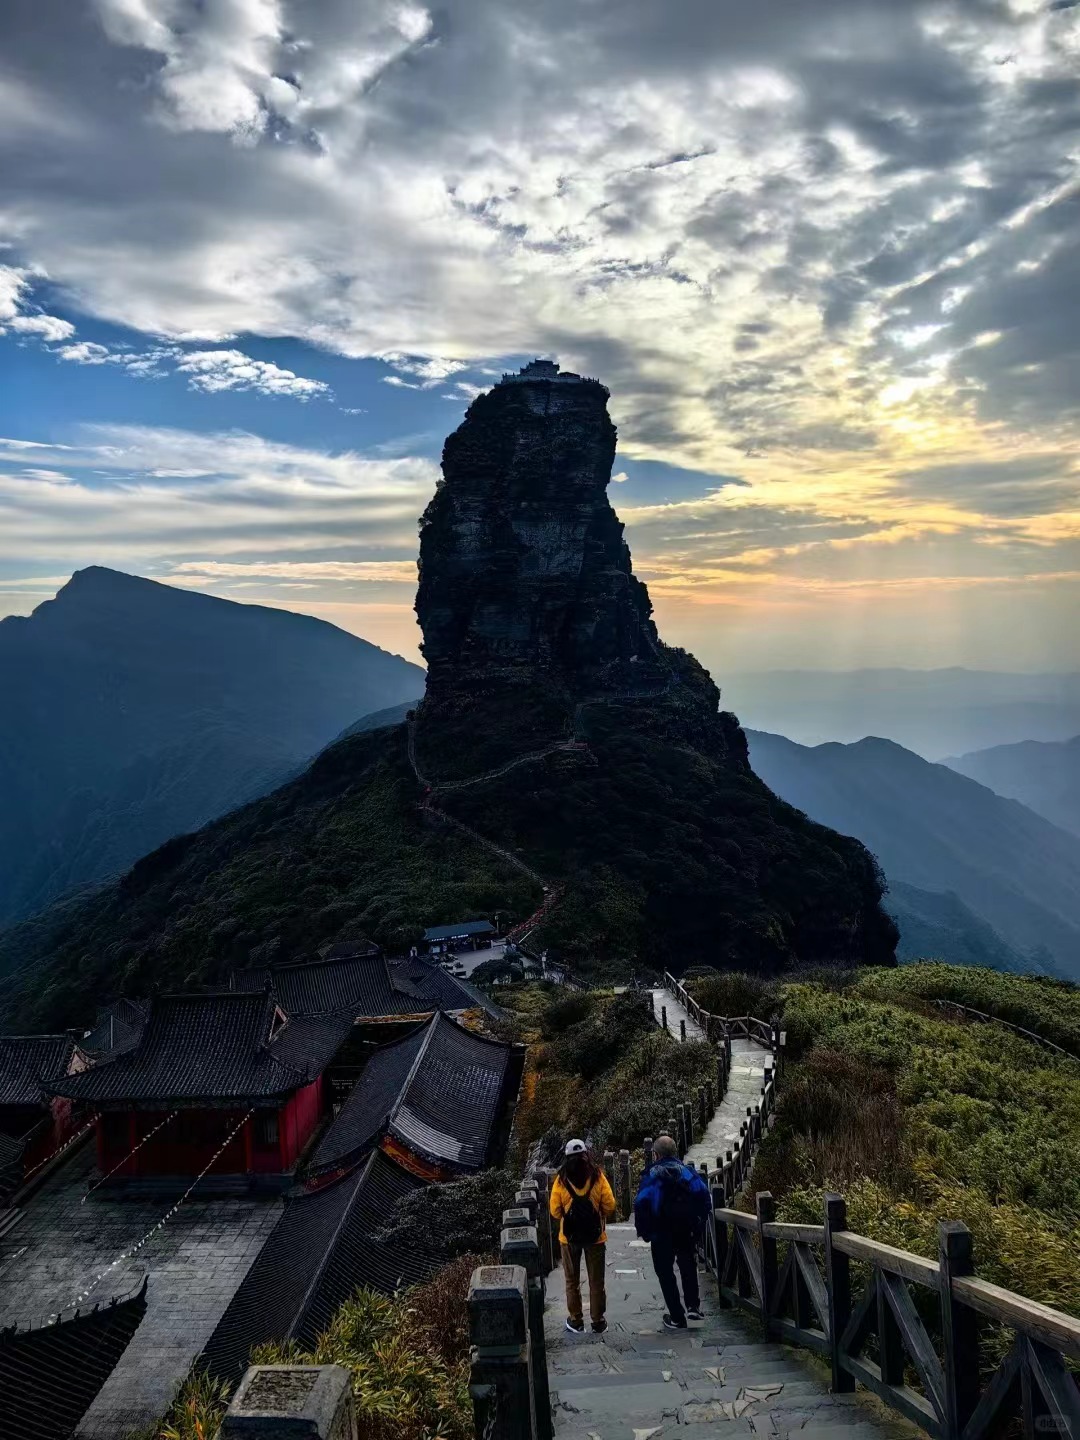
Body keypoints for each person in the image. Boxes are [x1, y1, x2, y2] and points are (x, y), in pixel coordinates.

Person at [633, 1134, 712, 1330]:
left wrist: (643, 1231)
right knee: (687, 1265)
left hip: (660, 1232)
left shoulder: (652, 1175)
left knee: (665, 1273)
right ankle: (693, 1306)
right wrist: (698, 1223)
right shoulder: (687, 1172)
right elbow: (704, 1197)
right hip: (685, 1229)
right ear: (675, 1152)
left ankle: (677, 1317)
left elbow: (641, 1202)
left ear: (656, 1154)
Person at [549, 1139, 617, 1334]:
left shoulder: (561, 1179)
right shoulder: (597, 1176)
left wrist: (568, 1213)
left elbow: (554, 1211)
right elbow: (610, 1205)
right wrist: (598, 1213)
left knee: (572, 1281)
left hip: (568, 1239)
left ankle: (576, 1321)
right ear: (586, 1155)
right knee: (596, 1281)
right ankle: (598, 1321)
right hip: (595, 1237)